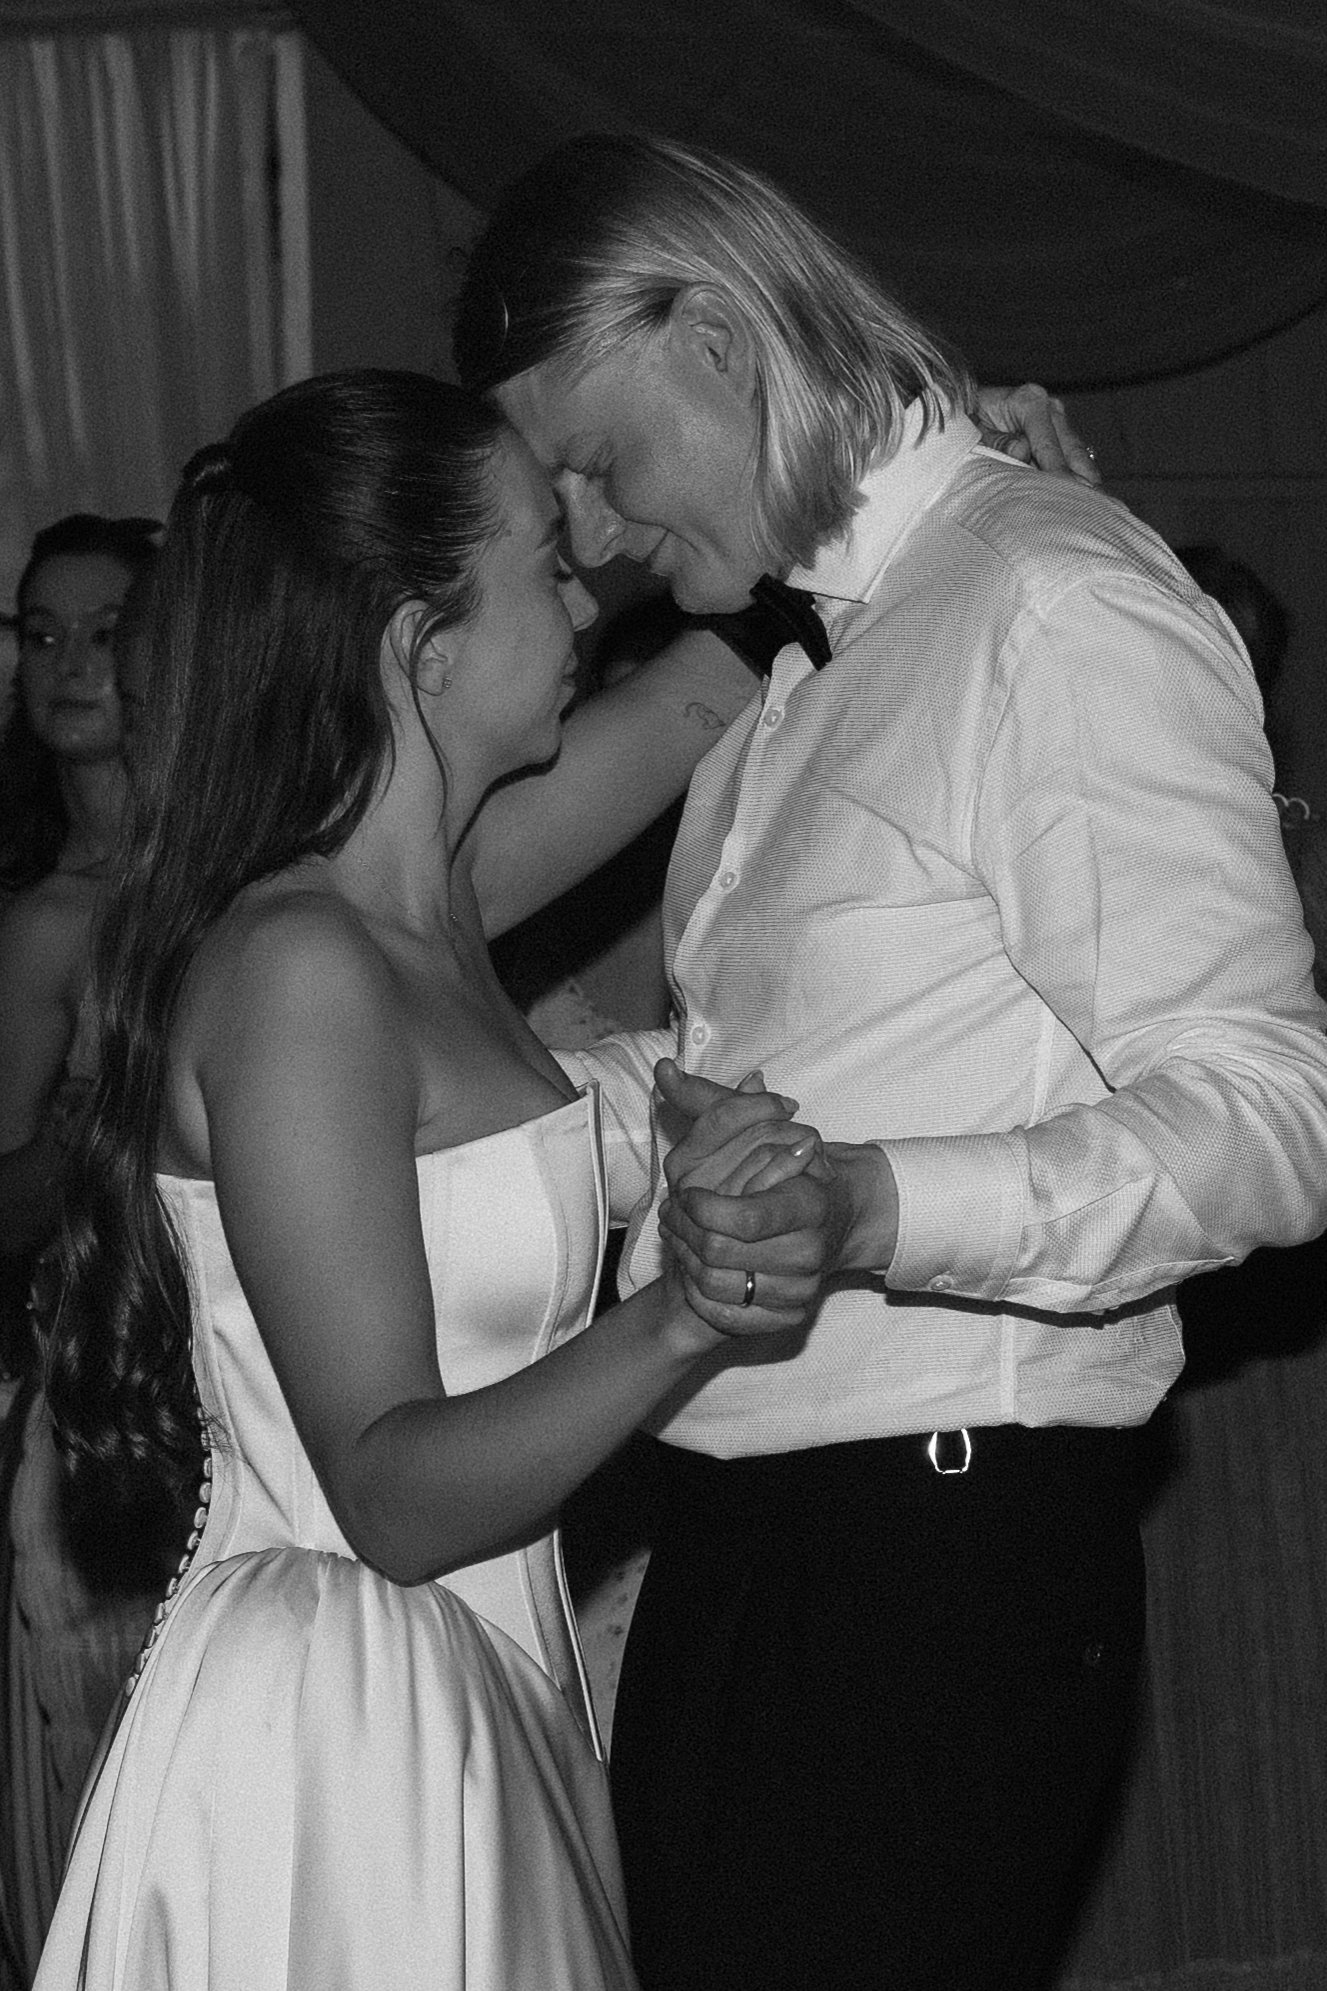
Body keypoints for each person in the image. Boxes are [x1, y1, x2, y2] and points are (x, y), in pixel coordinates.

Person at [452, 133, 1327, 1991]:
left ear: (718, 337)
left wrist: (871, 1209)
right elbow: (767, 1083)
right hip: (743, 1543)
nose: (588, 538)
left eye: (597, 463)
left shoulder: (1049, 595)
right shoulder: (810, 668)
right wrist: (451, 1100)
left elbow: (1274, 1113)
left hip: (936, 1555)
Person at [31, 370, 832, 1991]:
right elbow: (390, 1492)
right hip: (346, 1719)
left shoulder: (436, 913)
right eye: (544, 561)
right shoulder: (303, 968)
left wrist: (870, 489)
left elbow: (715, 679)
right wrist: (684, 1313)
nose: (583, 597)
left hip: (485, 1680)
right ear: (423, 640)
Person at [0, 516, 165, 1991]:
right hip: (95, 1404)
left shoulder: (233, 869)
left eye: (104, 633)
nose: (68, 665)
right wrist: (108, 1127)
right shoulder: (47, 917)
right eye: (40, 635)